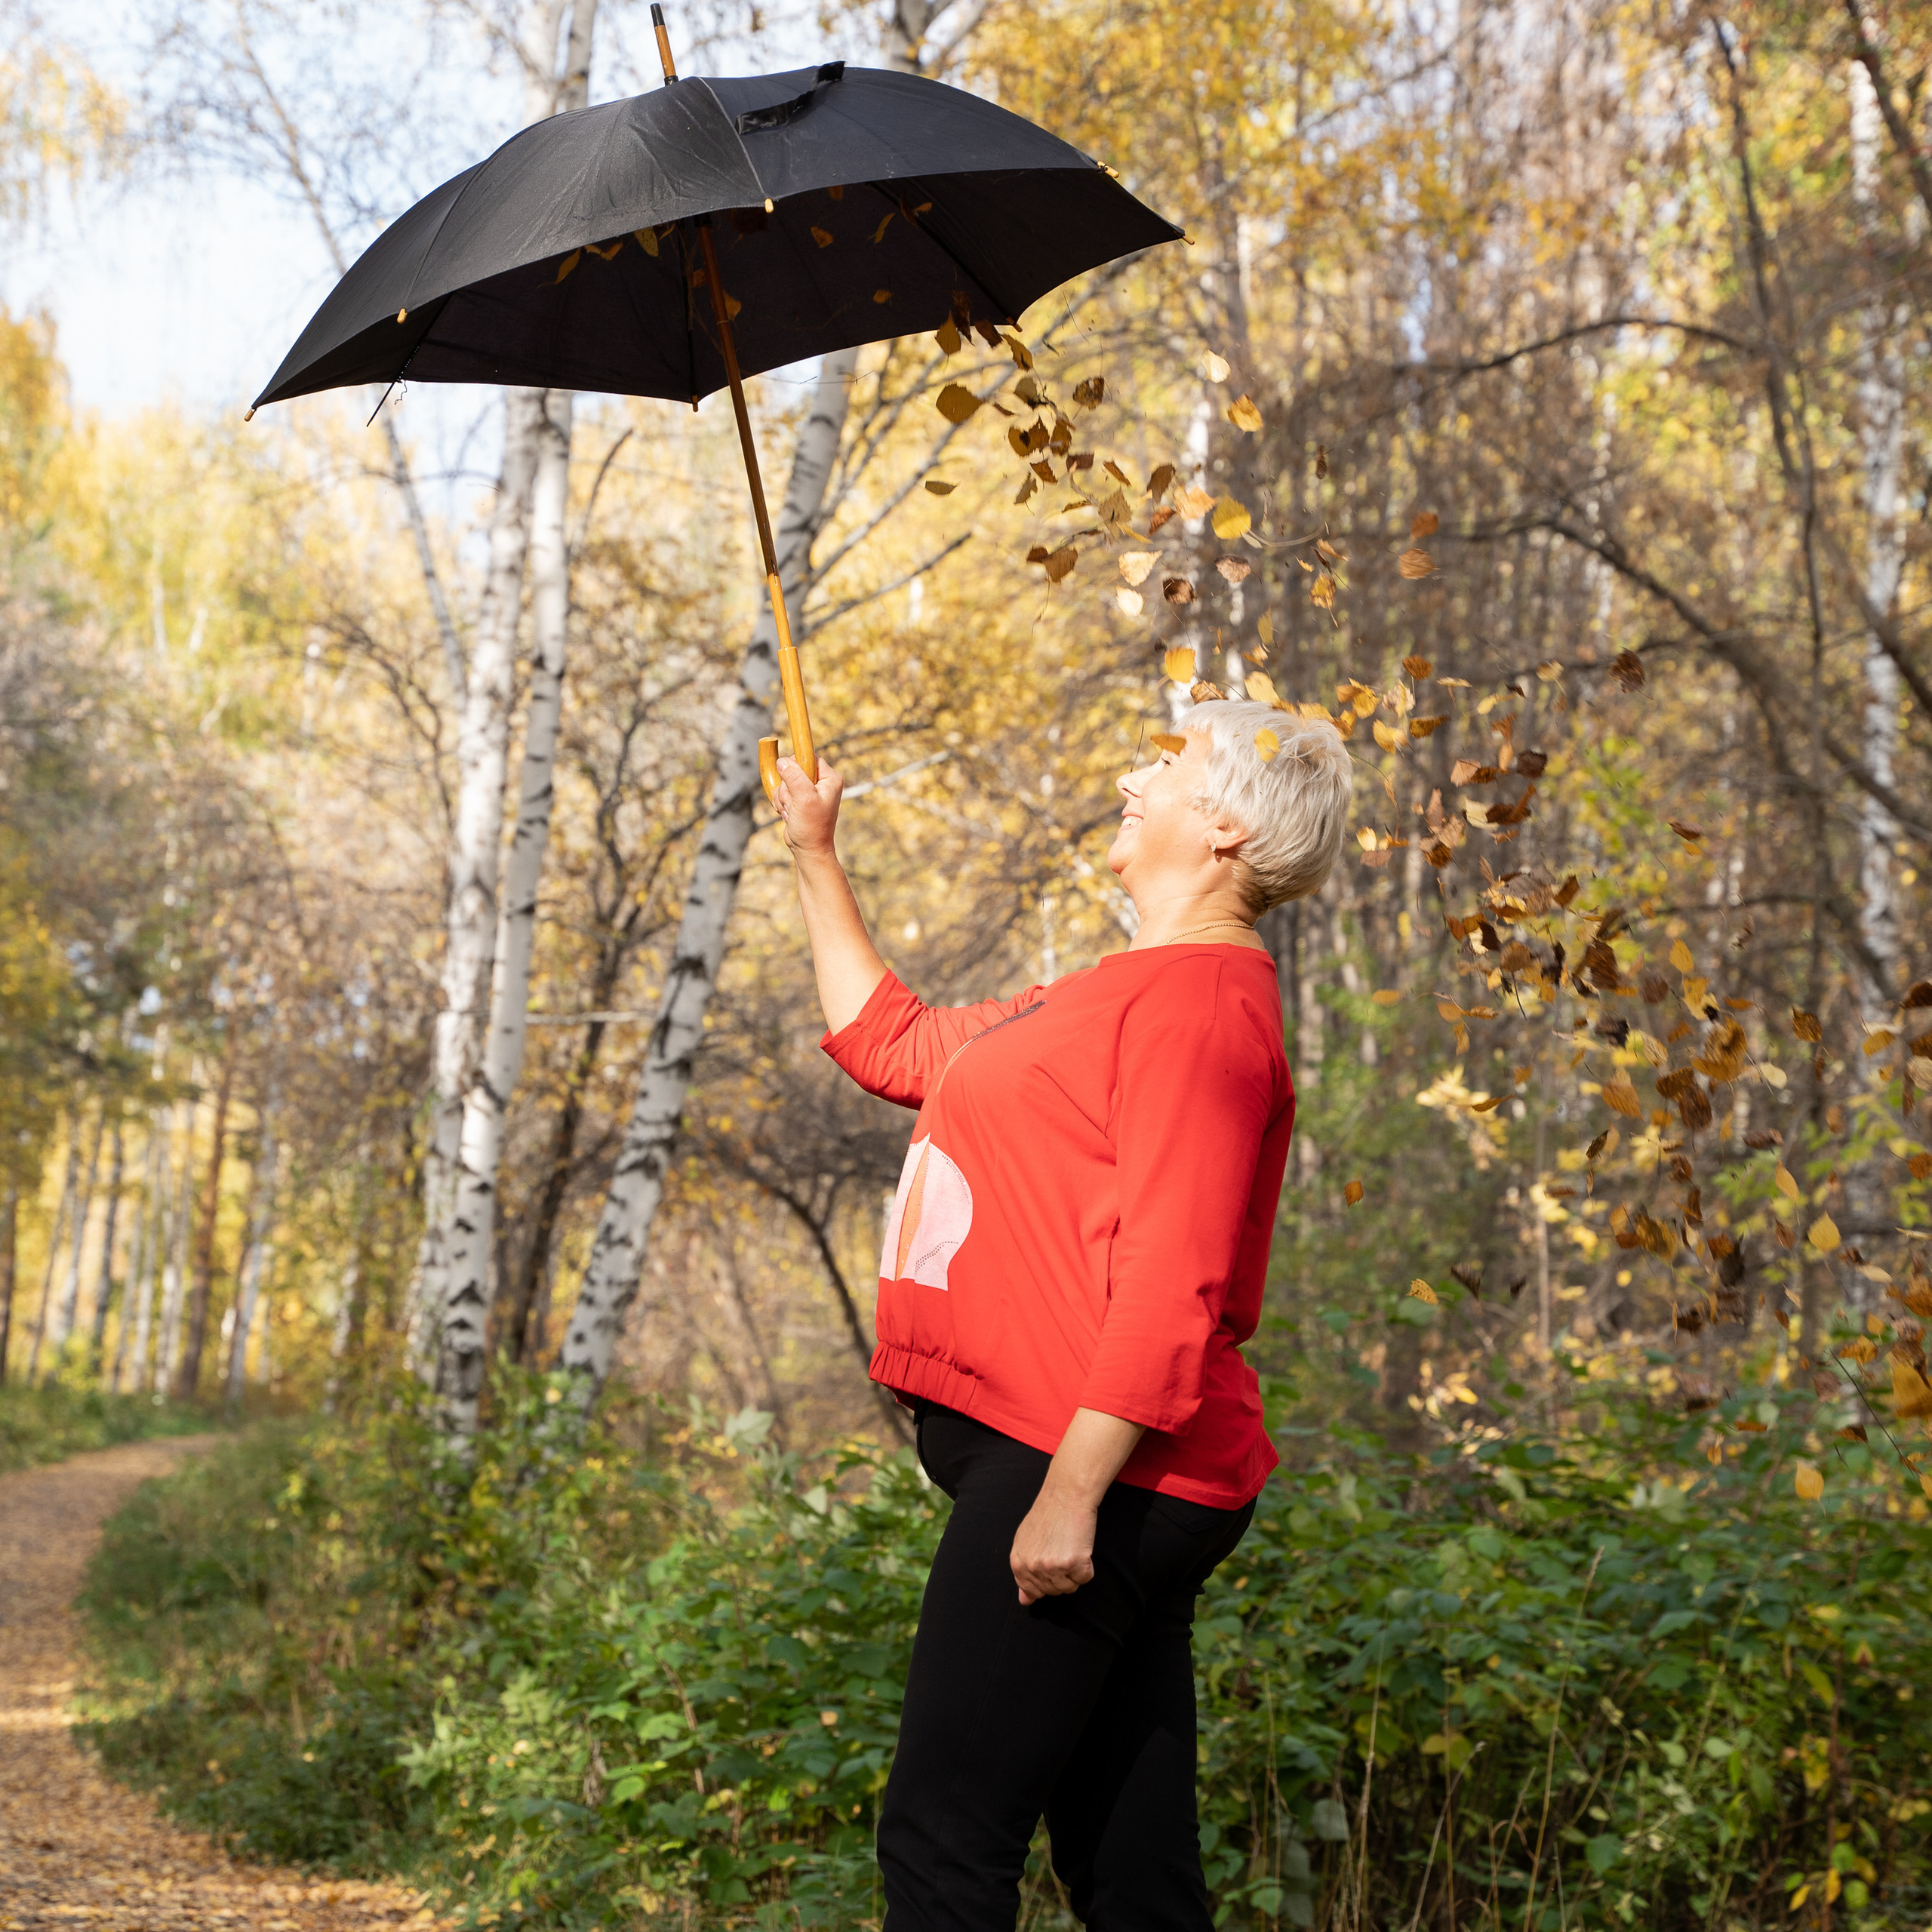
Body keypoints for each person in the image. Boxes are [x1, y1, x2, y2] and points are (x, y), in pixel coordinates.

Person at [771, 696, 1352, 1932]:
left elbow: (1176, 1280)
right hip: (1102, 1471)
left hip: (1092, 1467)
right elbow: (896, 1046)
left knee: (942, 1845)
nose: (1133, 778)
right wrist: (815, 853)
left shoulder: (1202, 1011)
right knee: (1133, 1877)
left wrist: (1072, 1495)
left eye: (1167, 764)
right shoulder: (1109, 993)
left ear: (1229, 828)